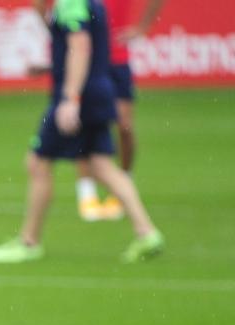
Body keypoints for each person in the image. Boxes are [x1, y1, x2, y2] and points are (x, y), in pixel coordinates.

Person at [0, 0, 163, 263]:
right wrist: (50, 68)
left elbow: (80, 46)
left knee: (38, 162)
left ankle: (29, 241)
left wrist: (70, 98)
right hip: (98, 91)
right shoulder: (92, 4)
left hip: (79, 97)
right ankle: (147, 233)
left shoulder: (71, 3)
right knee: (102, 165)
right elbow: (89, 50)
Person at [70, 0, 166, 221]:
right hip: (87, 60)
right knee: (83, 124)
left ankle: (123, 184)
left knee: (124, 126)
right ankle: (87, 194)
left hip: (117, 59)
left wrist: (143, 27)